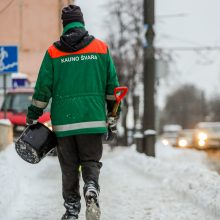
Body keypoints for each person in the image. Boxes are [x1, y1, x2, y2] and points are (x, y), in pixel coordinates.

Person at [26, 4, 120, 220]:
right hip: (93, 119)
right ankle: (91, 186)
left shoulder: (53, 51)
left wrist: (33, 114)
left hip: (64, 123)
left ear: (64, 25)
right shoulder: (101, 48)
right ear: (82, 22)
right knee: (90, 161)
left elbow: (43, 89)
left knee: (69, 167)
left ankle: (71, 210)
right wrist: (113, 115)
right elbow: (113, 89)